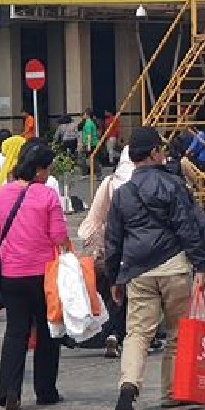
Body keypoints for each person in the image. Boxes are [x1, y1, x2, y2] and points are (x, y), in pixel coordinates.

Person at [106, 127, 205, 410]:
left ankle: (129, 384)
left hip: (138, 270)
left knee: (137, 332)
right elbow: (186, 227)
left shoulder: (122, 193)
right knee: (177, 332)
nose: (164, 153)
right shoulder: (173, 185)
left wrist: (115, 278)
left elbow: (113, 240)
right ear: (153, 153)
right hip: (174, 266)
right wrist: (200, 265)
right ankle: (171, 393)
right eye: (161, 149)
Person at [0, 141, 68, 410]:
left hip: (11, 274)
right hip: (42, 274)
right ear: (38, 170)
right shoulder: (47, 196)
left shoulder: (1, 195)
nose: (48, 174)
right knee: (47, 333)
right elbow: (58, 236)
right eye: (47, 169)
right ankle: (46, 391)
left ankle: (9, 391)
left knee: (15, 332)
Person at [79, 147, 136, 359]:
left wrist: (90, 242)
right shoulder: (143, 181)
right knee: (138, 295)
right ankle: (132, 335)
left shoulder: (111, 181)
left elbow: (95, 217)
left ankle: (113, 333)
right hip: (138, 246)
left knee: (115, 292)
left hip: (111, 245)